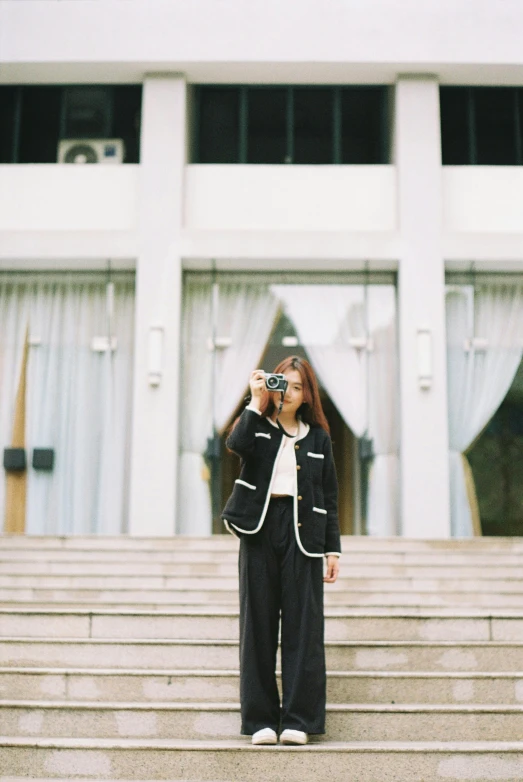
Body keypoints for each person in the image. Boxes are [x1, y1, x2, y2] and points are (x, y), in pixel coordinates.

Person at [221, 355, 341, 746]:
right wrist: (254, 404)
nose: (287, 393)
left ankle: (298, 720)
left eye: (296, 386)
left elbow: (329, 495)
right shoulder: (256, 426)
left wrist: (333, 550)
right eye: (281, 384)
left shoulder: (318, 437)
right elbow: (235, 444)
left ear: (307, 394)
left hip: (304, 532)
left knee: (304, 627)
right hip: (258, 528)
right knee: (256, 625)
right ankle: (259, 721)